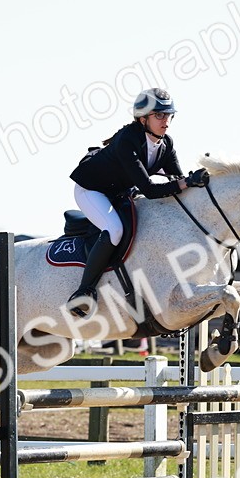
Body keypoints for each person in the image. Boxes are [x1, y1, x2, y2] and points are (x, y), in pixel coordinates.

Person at [67, 87, 207, 317]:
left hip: (119, 192)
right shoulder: (128, 140)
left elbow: (177, 180)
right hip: (91, 190)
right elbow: (151, 190)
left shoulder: (166, 144)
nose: (166, 121)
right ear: (143, 119)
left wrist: (196, 183)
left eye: (169, 115)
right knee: (114, 230)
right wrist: (185, 183)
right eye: (159, 116)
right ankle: (84, 292)